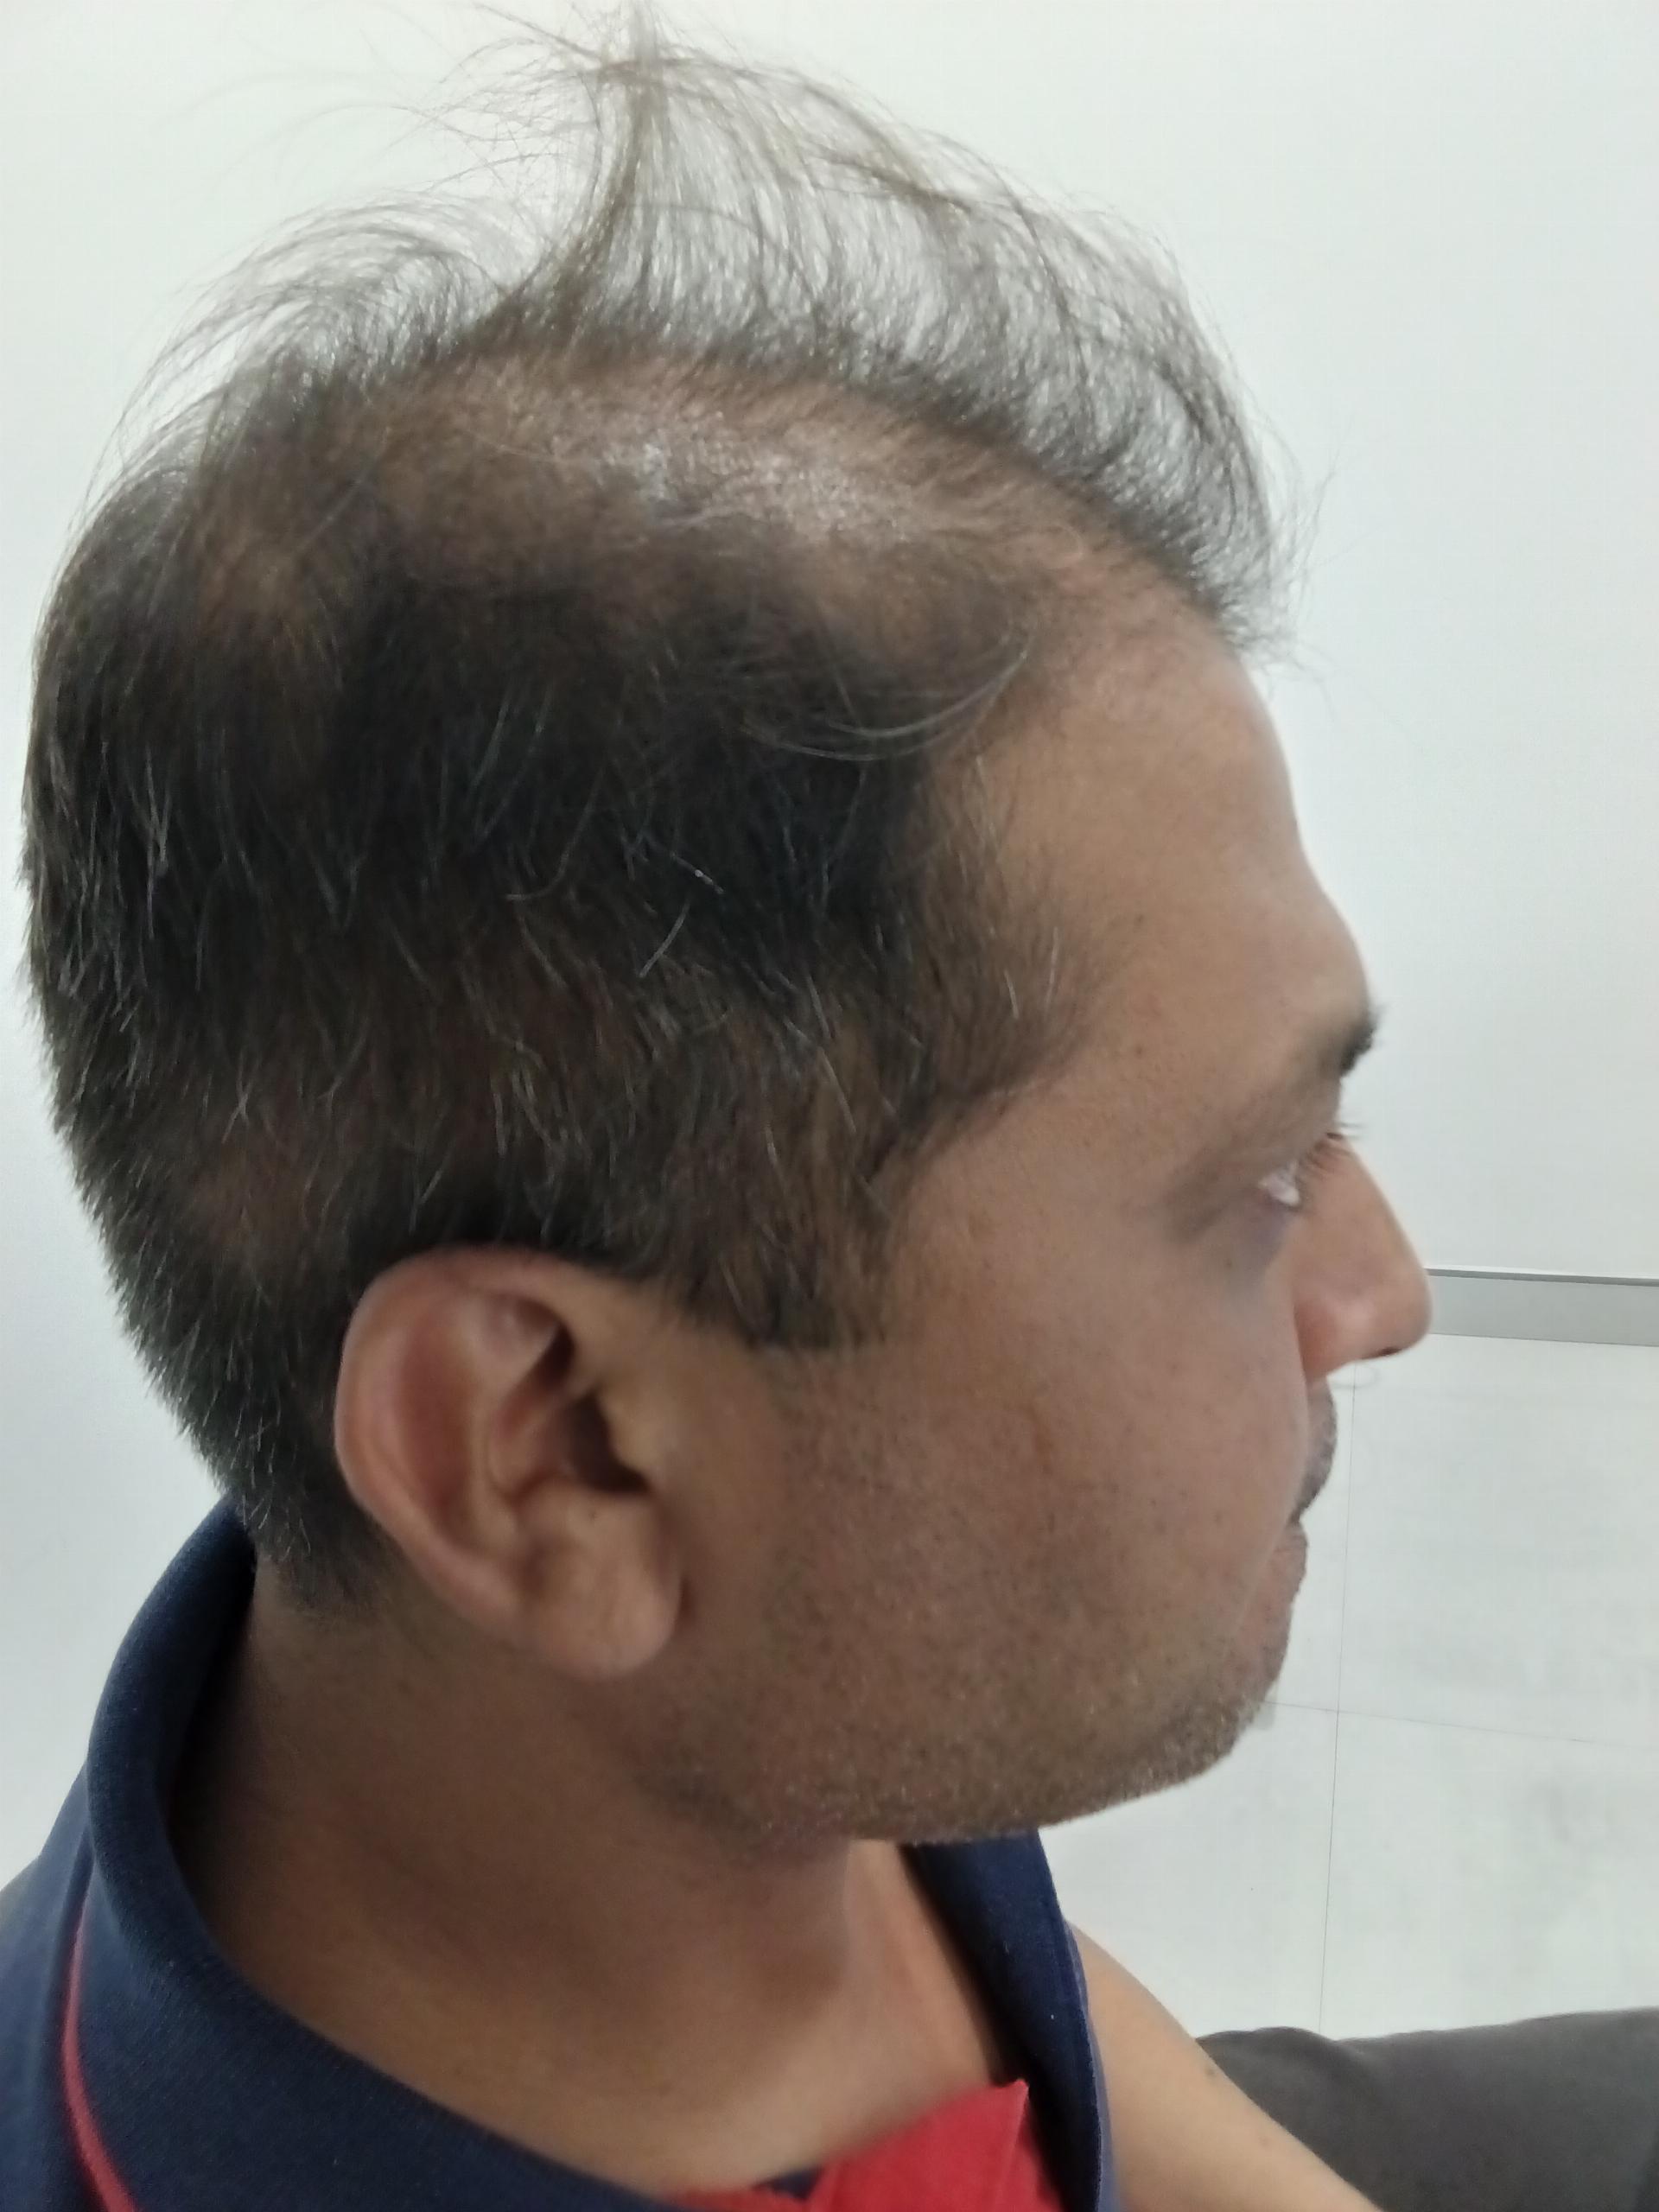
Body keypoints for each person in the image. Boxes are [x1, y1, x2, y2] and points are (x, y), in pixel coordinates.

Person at [0, 20, 1444, 2210]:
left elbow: (988, 1962)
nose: (1385, 1289)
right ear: (554, 1445)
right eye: (1255, 1183)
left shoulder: (717, 1691)